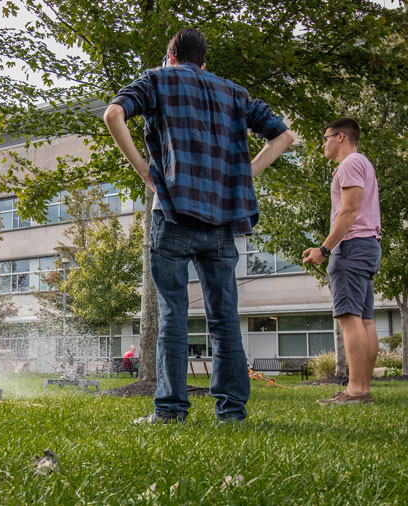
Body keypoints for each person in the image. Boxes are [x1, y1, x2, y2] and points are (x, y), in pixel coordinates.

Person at [105, 28, 295, 424]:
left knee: (174, 313)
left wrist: (144, 169)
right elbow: (284, 136)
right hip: (222, 217)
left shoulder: (157, 79)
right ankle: (231, 411)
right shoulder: (234, 92)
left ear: (170, 56)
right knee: (224, 316)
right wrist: (246, 173)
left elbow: (113, 113)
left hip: (172, 212)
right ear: (204, 62)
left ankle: (171, 411)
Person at [303, 118, 381, 406]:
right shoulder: (363, 163)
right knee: (365, 321)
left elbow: (348, 213)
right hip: (367, 246)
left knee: (349, 320)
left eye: (325, 138)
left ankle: (357, 391)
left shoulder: (349, 165)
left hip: (352, 247)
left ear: (340, 137)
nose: (323, 144)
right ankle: (361, 388)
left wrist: (324, 248)